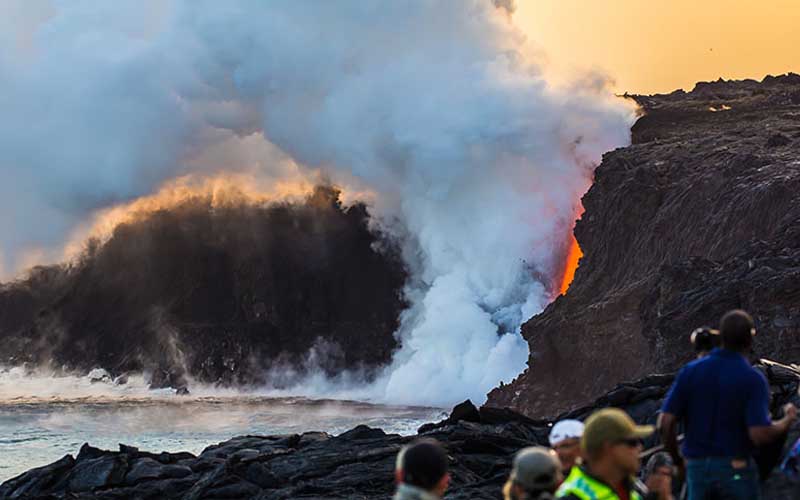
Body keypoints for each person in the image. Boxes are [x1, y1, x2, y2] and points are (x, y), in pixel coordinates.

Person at [659, 309, 798, 500]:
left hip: (697, 470)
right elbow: (759, 434)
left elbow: (666, 422)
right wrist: (787, 420)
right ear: (750, 339)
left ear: (722, 337)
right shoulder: (751, 378)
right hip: (736, 471)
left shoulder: (690, 372)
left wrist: (678, 462)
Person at [556, 407, 656, 500]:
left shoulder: (634, 488)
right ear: (608, 448)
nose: (639, 448)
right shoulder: (571, 496)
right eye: (632, 443)